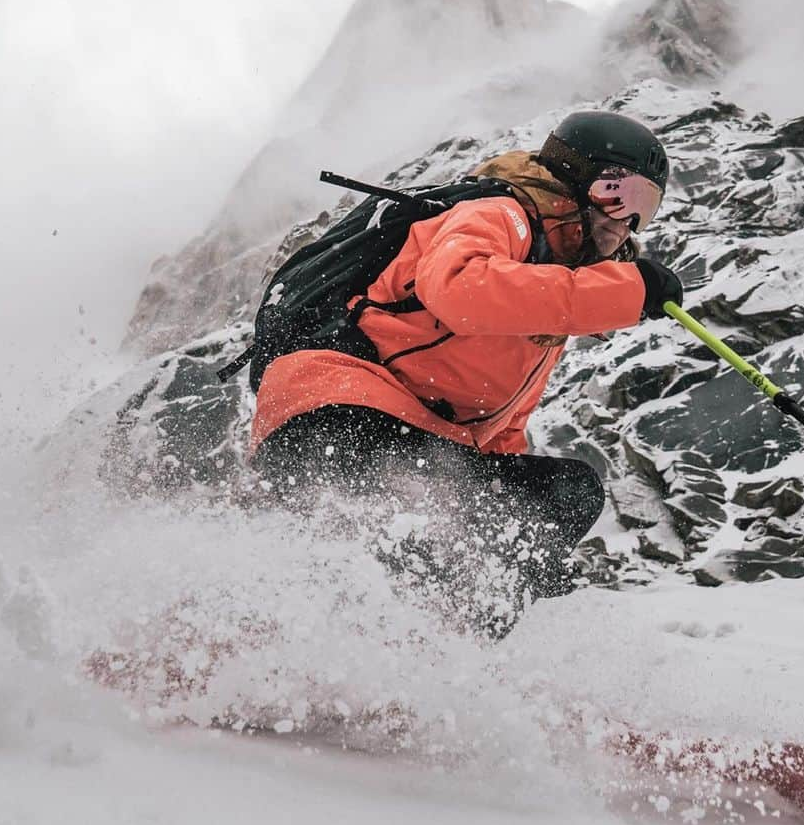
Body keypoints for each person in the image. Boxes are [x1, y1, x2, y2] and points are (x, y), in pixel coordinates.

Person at [249, 111, 683, 627]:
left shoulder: (550, 289)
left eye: (644, 210)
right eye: (619, 195)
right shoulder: (503, 214)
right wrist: (626, 290)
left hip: (410, 439)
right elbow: (459, 288)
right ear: (575, 179)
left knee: (561, 495)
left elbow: (497, 428)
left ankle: (443, 669)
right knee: (442, 545)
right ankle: (404, 649)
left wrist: (526, 552)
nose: (625, 221)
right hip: (340, 408)